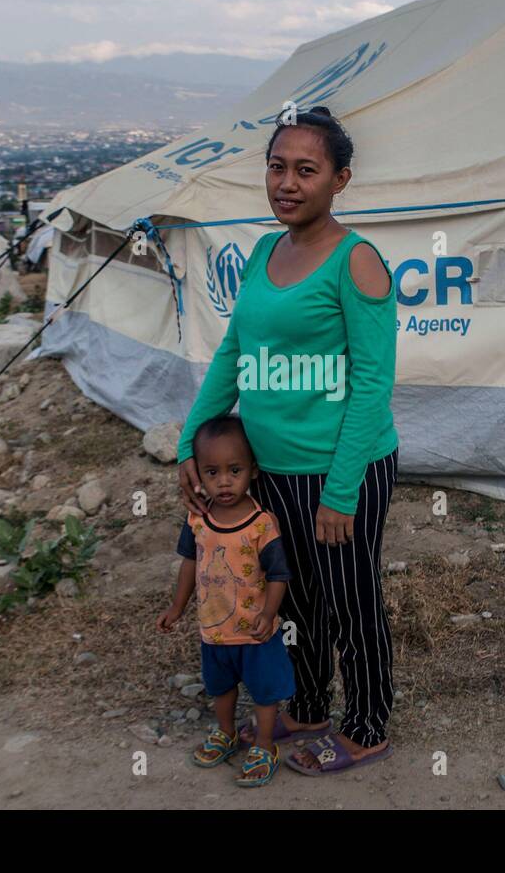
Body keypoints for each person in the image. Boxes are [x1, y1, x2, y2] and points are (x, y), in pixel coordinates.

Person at [176, 105, 400, 776]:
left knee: (350, 601)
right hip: (268, 469)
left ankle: (365, 727)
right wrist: (191, 440)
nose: (287, 183)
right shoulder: (265, 251)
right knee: (294, 598)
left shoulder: (357, 262)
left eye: (307, 170)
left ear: (340, 180)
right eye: (277, 167)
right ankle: (305, 704)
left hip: (338, 471)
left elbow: (371, 384)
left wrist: (341, 490)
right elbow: (234, 354)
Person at [157, 415, 295, 788]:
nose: (224, 481)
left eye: (234, 470)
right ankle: (226, 732)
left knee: (265, 693)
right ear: (197, 475)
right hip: (214, 631)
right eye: (212, 472)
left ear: (252, 469)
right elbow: (190, 564)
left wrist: (269, 613)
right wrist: (177, 607)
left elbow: (280, 575)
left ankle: (265, 745)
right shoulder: (198, 519)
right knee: (220, 687)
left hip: (254, 630)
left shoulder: (261, 523)